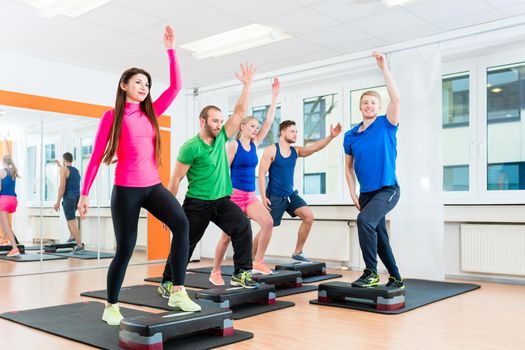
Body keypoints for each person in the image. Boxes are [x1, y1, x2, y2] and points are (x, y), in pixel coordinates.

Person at [77, 25, 200, 326]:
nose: (144, 87)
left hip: (152, 186)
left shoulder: (151, 113)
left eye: (146, 83)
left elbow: (175, 87)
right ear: (124, 86)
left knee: (181, 223)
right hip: (127, 191)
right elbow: (95, 158)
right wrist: (84, 193)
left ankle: (178, 291)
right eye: (137, 82)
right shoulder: (112, 116)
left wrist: (172, 52)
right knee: (126, 249)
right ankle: (112, 305)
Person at [159, 63, 258, 293]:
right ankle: (168, 281)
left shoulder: (222, 137)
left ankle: (241, 272)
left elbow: (240, 112)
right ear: (202, 122)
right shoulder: (190, 148)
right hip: (197, 203)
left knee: (242, 225)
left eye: (220, 121)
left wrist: (246, 85)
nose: (219, 125)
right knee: (185, 243)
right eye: (214, 121)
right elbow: (175, 180)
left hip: (222, 200)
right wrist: (166, 210)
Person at [209, 78, 280, 286]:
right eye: (252, 126)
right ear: (242, 127)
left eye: (256, 127)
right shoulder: (233, 146)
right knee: (226, 237)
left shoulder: (256, 143)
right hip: (234, 196)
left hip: (250, 196)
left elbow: (268, 122)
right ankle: (215, 271)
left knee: (268, 223)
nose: (256, 129)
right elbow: (222, 171)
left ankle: (257, 260)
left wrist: (274, 97)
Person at [343, 51, 403, 289]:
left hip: (387, 189)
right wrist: (352, 192)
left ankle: (370, 272)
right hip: (366, 193)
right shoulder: (350, 135)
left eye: (373, 103)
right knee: (379, 237)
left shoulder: (386, 125)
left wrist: (384, 69)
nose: (369, 105)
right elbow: (348, 168)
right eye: (365, 102)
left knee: (364, 222)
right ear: (360, 107)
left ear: (379, 107)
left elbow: (396, 100)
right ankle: (396, 277)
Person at [258, 120, 342, 262]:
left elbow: (315, 148)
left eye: (296, 132)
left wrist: (331, 137)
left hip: (290, 195)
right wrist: (263, 196)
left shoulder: (295, 151)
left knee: (308, 217)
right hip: (275, 196)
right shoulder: (271, 150)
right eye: (292, 131)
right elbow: (261, 174)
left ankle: (298, 252)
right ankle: (251, 258)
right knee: (267, 227)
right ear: (283, 132)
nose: (295, 134)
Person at [54, 152, 83, 252]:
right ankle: (72, 237)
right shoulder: (77, 171)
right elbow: (68, 173)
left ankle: (79, 245)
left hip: (69, 197)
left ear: (64, 160)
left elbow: (62, 187)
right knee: (70, 219)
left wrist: (57, 201)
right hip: (77, 197)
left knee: (71, 221)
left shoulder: (63, 170)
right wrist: (60, 166)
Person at [0, 139, 20, 257]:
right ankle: (4, 239)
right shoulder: (13, 171)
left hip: (4, 200)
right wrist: (7, 143)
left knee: (7, 224)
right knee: (2, 219)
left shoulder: (1, 171)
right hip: (13, 200)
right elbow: (8, 156)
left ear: (2, 162)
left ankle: (14, 248)